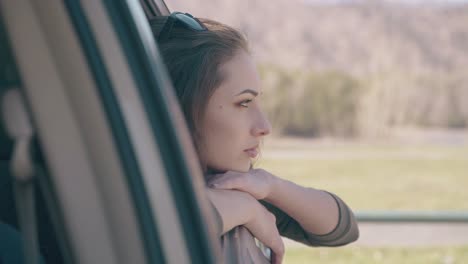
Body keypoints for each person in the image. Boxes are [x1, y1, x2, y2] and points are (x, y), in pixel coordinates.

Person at [149, 12, 359, 264]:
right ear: (179, 110)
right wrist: (244, 209)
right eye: (244, 103)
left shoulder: (224, 183)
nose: (265, 127)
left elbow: (340, 229)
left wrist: (269, 185)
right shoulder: (131, 195)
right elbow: (148, 228)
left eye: (258, 100)